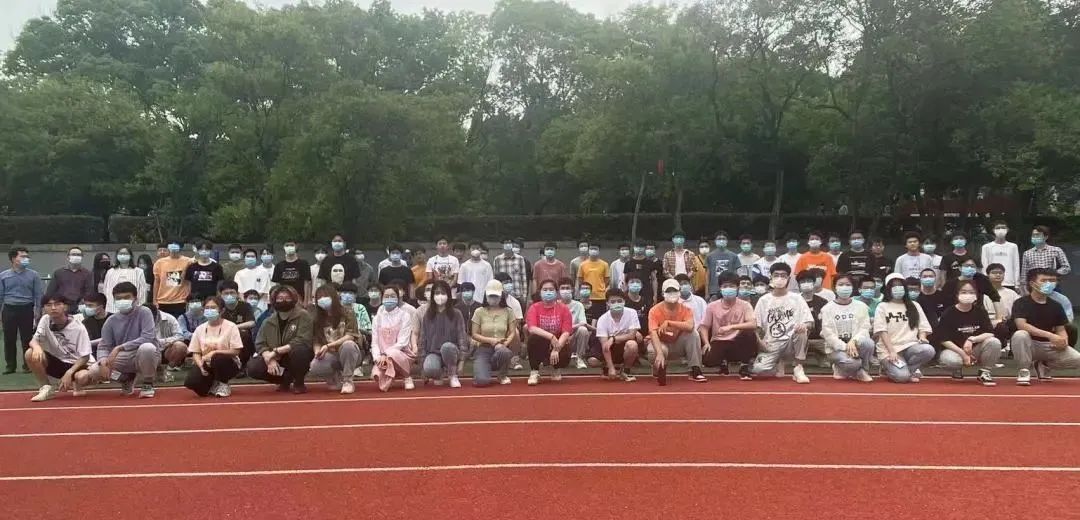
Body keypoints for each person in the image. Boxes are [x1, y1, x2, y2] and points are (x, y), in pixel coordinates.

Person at [1011, 269, 1080, 385]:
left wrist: (1063, 341)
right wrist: (1050, 335)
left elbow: (1061, 329)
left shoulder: (1056, 305)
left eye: (1052, 281)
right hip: (1029, 344)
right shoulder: (1021, 302)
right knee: (1020, 335)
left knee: (1077, 359)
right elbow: (1021, 325)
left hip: (1048, 345)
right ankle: (1024, 370)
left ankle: (1043, 364)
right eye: (1044, 280)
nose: (1049, 284)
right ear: (1032, 283)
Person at [93, 282, 160, 398]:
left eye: (126, 297)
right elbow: (104, 346)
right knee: (95, 370)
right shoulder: (111, 321)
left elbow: (147, 337)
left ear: (135, 298)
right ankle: (125, 379)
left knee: (147, 348)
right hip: (124, 356)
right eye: (118, 298)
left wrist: (120, 347)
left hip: (145, 354)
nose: (122, 301)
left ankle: (147, 383)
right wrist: (103, 360)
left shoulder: (144, 312)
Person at [246, 285, 315, 394]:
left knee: (300, 351)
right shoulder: (268, 321)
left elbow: (303, 339)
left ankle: (299, 382)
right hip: (277, 358)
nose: (284, 301)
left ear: (294, 299)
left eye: (287, 298)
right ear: (274, 300)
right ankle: (284, 380)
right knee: (253, 367)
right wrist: (269, 359)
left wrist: (276, 352)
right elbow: (260, 343)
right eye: (280, 298)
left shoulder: (303, 316)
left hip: (296, 355)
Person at [752, 263, 813, 383]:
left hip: (791, 342)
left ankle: (798, 368)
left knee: (801, 332)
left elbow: (810, 322)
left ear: (788, 279)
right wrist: (759, 342)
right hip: (771, 344)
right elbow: (756, 326)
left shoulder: (797, 298)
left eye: (783, 275)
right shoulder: (763, 300)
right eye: (776, 275)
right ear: (771, 277)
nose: (779, 278)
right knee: (758, 370)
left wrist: (804, 325)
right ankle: (778, 362)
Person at [25, 295, 93, 401]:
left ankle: (76, 383)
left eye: (57, 304)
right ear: (44, 308)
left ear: (65, 307)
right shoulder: (45, 319)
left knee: (82, 377)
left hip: (78, 364)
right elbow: (33, 340)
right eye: (49, 305)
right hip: (58, 362)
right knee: (30, 353)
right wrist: (37, 347)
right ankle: (46, 388)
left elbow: (85, 357)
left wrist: (69, 373)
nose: (53, 308)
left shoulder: (78, 328)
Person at [935, 280, 1002, 386]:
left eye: (971, 292)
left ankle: (985, 372)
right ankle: (957, 369)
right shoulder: (949, 313)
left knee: (994, 342)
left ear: (976, 295)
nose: (967, 295)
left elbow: (989, 333)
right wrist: (963, 354)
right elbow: (943, 339)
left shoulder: (980, 311)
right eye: (964, 292)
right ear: (957, 294)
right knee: (951, 361)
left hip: (975, 349)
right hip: (955, 350)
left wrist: (972, 339)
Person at [874, 273, 934, 383]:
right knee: (902, 377)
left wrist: (922, 337)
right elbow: (882, 331)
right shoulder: (882, 306)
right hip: (889, 349)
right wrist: (892, 351)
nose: (898, 288)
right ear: (888, 289)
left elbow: (923, 326)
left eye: (900, 285)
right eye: (894, 286)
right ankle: (890, 368)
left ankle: (907, 369)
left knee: (928, 350)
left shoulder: (914, 305)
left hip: (910, 346)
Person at [700, 272, 757, 380]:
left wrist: (731, 327)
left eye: (731, 286)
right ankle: (723, 362)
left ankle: (744, 366)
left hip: (737, 341)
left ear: (737, 287)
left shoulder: (745, 305)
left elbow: (753, 324)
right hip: (719, 340)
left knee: (749, 333)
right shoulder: (712, 306)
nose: (728, 289)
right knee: (708, 360)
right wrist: (706, 343)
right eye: (725, 286)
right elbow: (704, 326)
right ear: (720, 288)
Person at [183, 296, 244, 397]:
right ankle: (213, 384)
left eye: (213, 308)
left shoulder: (231, 326)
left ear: (222, 310)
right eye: (207, 308)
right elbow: (196, 352)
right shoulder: (199, 329)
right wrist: (200, 365)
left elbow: (236, 351)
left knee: (217, 358)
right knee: (192, 382)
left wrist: (215, 352)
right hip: (206, 363)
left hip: (227, 362)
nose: (209, 310)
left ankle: (223, 383)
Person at [305, 285, 361, 394]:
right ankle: (333, 378)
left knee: (348, 345)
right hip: (331, 354)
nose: (322, 299)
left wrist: (328, 346)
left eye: (325, 296)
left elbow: (350, 336)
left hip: (350, 352)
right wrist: (317, 352)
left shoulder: (348, 312)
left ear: (333, 297)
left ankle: (348, 381)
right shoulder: (317, 318)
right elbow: (317, 340)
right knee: (315, 366)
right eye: (319, 297)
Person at [819, 274, 875, 382]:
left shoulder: (861, 306)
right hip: (836, 349)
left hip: (855, 344)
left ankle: (863, 370)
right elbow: (828, 334)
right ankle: (842, 368)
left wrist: (853, 341)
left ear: (853, 287)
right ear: (834, 288)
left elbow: (865, 328)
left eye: (848, 284)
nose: (844, 287)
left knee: (869, 343)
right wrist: (846, 347)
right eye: (841, 284)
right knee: (853, 363)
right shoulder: (827, 309)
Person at [649, 279, 705, 384]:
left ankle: (695, 368)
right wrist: (659, 353)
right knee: (660, 350)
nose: (672, 294)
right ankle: (659, 368)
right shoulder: (654, 310)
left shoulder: (686, 309)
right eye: (668, 291)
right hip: (661, 343)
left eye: (674, 291)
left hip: (677, 344)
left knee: (693, 334)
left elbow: (690, 326)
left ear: (679, 292)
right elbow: (653, 333)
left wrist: (669, 323)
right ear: (663, 293)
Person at [415, 280, 468, 388]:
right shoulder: (428, 315)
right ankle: (438, 374)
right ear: (433, 296)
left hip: (452, 352)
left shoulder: (456, 314)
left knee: (447, 347)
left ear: (448, 295)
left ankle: (452, 374)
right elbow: (423, 340)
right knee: (429, 368)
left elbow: (462, 338)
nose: (440, 296)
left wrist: (462, 361)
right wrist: (422, 365)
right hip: (433, 352)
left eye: (443, 293)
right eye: (437, 293)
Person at [2, 247, 44, 374]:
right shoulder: (3, 276)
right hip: (9, 308)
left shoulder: (33, 275)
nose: (26, 259)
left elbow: (38, 294)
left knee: (27, 338)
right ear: (13, 259)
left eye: (27, 257)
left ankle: (28, 365)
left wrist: (38, 311)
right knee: (9, 338)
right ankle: (10, 365)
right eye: (22, 256)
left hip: (26, 308)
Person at [525, 279, 573, 385]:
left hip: (559, 342)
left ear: (556, 292)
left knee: (565, 348)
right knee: (533, 338)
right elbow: (532, 328)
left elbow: (566, 332)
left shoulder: (564, 309)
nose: (548, 292)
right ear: (540, 292)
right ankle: (534, 371)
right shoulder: (534, 307)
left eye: (551, 289)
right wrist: (551, 336)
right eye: (545, 290)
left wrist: (556, 349)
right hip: (542, 341)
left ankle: (556, 368)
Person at [370, 284, 416, 392]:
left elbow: (403, 342)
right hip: (382, 357)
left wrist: (385, 354)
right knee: (376, 375)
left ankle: (407, 377)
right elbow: (374, 342)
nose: (389, 299)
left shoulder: (405, 316)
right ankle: (390, 375)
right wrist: (377, 358)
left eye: (392, 296)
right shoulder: (377, 318)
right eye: (386, 296)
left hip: (401, 353)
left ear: (398, 298)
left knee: (393, 354)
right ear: (382, 298)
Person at [470, 280, 516, 386]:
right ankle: (484, 369)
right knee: (481, 381)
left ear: (501, 296)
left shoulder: (508, 311)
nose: (493, 299)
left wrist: (505, 343)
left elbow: (512, 332)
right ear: (486, 295)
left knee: (505, 352)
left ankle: (502, 375)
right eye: (491, 296)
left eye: (496, 296)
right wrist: (491, 340)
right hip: (483, 348)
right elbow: (474, 334)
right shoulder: (479, 311)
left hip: (501, 347)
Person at [594, 289, 641, 381]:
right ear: (607, 303)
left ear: (624, 301)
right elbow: (605, 346)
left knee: (632, 344)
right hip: (610, 348)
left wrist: (613, 338)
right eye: (613, 302)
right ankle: (608, 366)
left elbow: (632, 335)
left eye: (619, 301)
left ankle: (626, 370)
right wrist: (611, 367)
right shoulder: (602, 319)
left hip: (624, 345)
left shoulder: (632, 313)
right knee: (593, 361)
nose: (616, 304)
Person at [1020, 225, 1071, 295]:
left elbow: (1066, 267)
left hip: (1051, 284)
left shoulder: (1056, 250)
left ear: (1046, 237)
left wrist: (1053, 273)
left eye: (1037, 235)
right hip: (1035, 285)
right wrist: (1024, 288)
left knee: (1055, 301)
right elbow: (1024, 273)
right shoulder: (1027, 253)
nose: (1035, 237)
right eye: (1033, 235)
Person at [218, 281, 257, 366]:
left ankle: (243, 364)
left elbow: (252, 322)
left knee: (244, 334)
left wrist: (234, 327)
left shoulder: (245, 306)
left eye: (232, 293)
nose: (229, 295)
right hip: (223, 335)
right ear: (221, 295)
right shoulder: (219, 308)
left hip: (242, 335)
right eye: (226, 293)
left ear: (237, 294)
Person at [46, 247, 95, 313]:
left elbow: (89, 291)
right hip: (61, 306)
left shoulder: (87, 274)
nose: (76, 256)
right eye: (73, 254)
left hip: (79, 307)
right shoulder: (59, 273)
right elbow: (50, 291)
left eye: (78, 255)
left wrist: (82, 304)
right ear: (68, 257)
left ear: (82, 257)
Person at [153, 239, 194, 317]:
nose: (173, 246)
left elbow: (190, 281)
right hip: (163, 301)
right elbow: (156, 282)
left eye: (176, 244)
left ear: (181, 247)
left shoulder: (188, 262)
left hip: (180, 301)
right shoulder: (159, 263)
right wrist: (154, 300)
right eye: (171, 244)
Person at [103, 247, 149, 313]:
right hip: (113, 308)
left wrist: (139, 305)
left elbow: (142, 290)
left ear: (130, 256)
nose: (123, 255)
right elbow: (106, 289)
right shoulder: (110, 272)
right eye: (121, 253)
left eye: (125, 253)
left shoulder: (138, 271)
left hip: (133, 308)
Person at [558, 277, 590, 368]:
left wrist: (569, 333)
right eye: (562, 288)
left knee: (583, 330)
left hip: (573, 338)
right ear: (558, 291)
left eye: (567, 288)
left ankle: (580, 358)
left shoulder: (578, 305)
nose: (565, 290)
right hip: (558, 338)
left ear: (572, 289)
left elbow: (583, 323)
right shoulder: (554, 305)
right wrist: (564, 336)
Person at [985, 263, 1019, 344]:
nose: (998, 275)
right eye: (994, 273)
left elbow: (1019, 310)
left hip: (1007, 323)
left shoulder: (1012, 293)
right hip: (987, 323)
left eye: (1000, 273)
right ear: (987, 275)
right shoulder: (982, 293)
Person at [981, 221, 1020, 290]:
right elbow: (984, 266)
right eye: (998, 228)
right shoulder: (986, 247)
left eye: (1003, 228)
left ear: (1007, 230)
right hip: (992, 282)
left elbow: (1016, 265)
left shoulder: (1013, 246)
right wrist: (986, 282)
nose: (1000, 230)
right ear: (993, 230)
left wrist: (1017, 284)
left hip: (1009, 282)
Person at [626, 240, 664, 306]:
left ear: (644, 248)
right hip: (632, 292)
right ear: (633, 247)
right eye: (637, 246)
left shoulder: (650, 263)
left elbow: (654, 279)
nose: (639, 248)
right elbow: (625, 280)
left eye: (641, 247)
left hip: (647, 291)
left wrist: (655, 295)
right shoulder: (628, 263)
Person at [707, 231, 739, 299]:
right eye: (719, 239)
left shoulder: (734, 256)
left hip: (730, 290)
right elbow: (707, 275)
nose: (721, 240)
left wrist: (737, 290)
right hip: (714, 291)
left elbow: (736, 275)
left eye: (723, 239)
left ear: (727, 241)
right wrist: (706, 292)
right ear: (715, 241)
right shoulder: (709, 256)